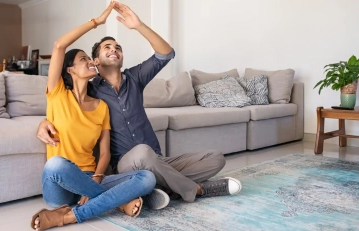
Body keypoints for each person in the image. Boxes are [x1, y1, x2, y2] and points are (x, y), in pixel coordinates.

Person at [37, 1, 242, 211]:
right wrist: (43, 122)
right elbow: (62, 100)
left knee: (215, 158)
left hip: (154, 160)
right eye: (106, 47)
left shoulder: (132, 79)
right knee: (141, 154)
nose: (113, 49)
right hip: (127, 165)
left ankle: (159, 187)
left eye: (117, 47)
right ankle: (195, 190)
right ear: (96, 61)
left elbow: (166, 54)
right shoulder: (91, 89)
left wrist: (138, 25)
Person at [30, 2, 156, 231]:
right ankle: (117, 203)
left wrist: (96, 179)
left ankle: (68, 216)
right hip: (59, 185)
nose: (90, 61)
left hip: (91, 177)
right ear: (69, 69)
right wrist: (96, 22)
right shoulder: (57, 93)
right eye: (83, 60)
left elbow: (105, 152)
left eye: (90, 58)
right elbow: (59, 46)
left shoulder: (101, 106)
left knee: (147, 178)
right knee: (55, 164)